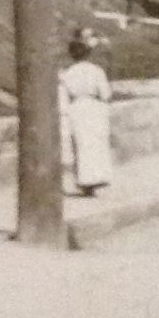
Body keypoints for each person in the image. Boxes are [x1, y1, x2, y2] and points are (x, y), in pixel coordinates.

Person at [57, 28, 115, 197]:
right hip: (93, 107)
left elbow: (63, 98)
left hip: (76, 108)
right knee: (95, 144)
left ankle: (84, 181)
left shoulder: (67, 73)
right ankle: (96, 178)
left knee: (81, 145)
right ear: (88, 53)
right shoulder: (96, 71)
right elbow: (105, 94)